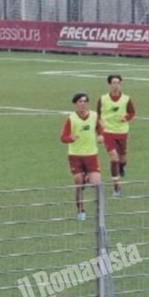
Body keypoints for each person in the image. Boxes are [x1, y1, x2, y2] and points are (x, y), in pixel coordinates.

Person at [60, 93, 104, 221]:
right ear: (75, 104)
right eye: (80, 101)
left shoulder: (94, 116)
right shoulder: (71, 119)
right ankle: (80, 210)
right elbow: (63, 137)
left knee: (96, 183)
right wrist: (70, 138)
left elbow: (100, 128)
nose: (83, 103)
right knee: (78, 183)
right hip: (75, 156)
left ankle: (99, 212)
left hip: (91, 155)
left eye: (85, 101)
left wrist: (101, 135)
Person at [96, 74, 135, 196]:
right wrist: (99, 133)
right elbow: (97, 116)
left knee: (122, 159)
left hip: (122, 132)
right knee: (114, 158)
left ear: (121, 84)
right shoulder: (102, 99)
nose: (115, 85)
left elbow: (132, 112)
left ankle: (122, 167)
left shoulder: (127, 99)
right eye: (113, 83)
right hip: (108, 132)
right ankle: (116, 187)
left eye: (118, 83)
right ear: (109, 85)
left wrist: (127, 117)